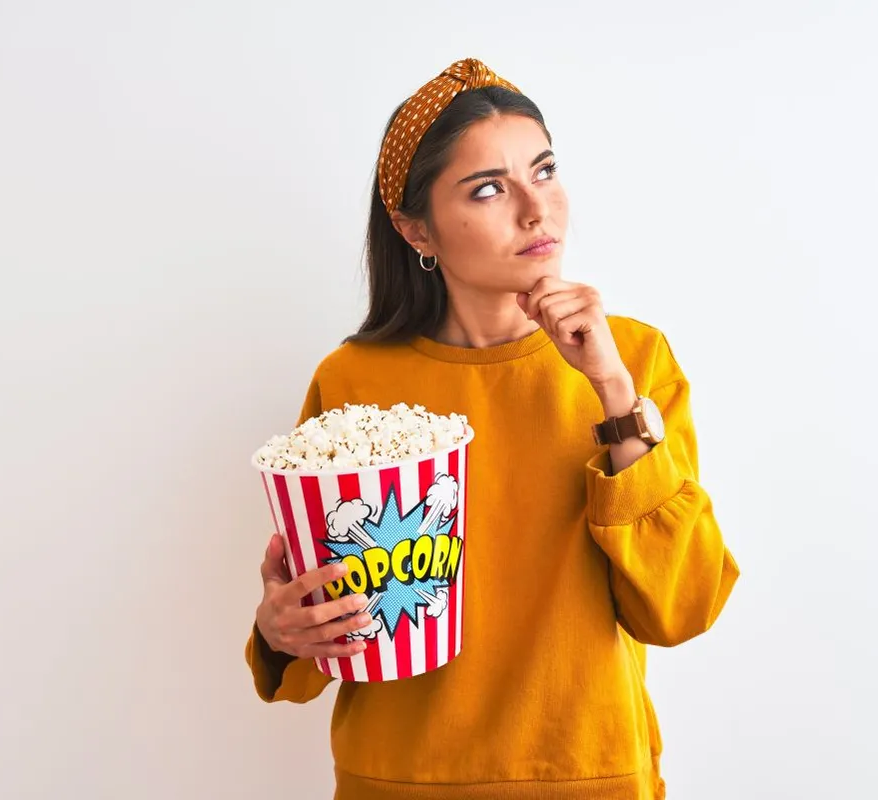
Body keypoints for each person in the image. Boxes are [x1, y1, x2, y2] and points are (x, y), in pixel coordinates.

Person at [245, 57, 740, 800]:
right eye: (487, 189)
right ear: (416, 227)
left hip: (589, 774)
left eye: (543, 172)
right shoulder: (351, 383)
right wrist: (283, 631)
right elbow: (339, 625)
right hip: (399, 778)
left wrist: (608, 389)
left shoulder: (633, 360)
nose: (536, 211)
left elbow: (682, 608)